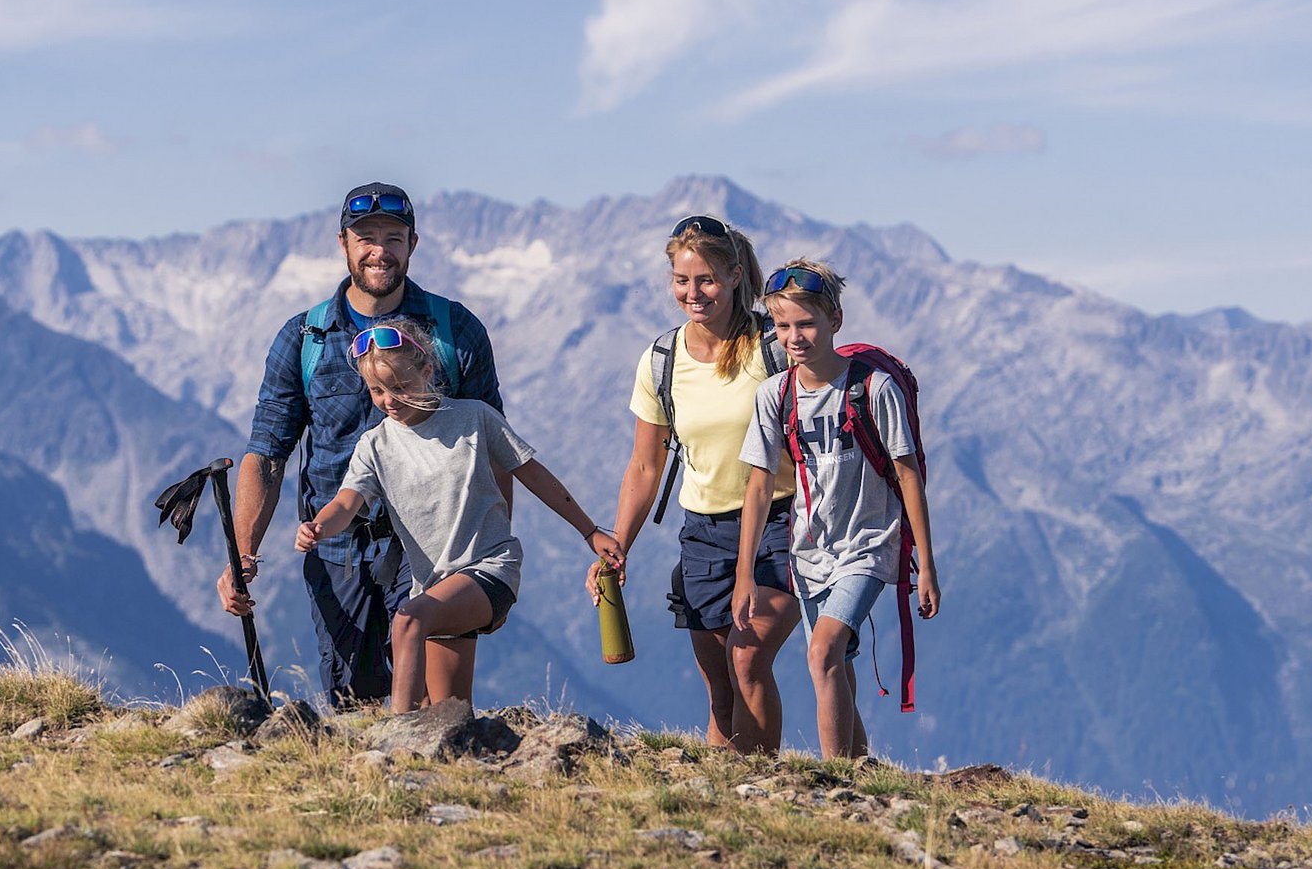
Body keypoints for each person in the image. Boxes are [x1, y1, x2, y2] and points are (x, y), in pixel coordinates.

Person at [219, 183, 504, 707]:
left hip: (432, 546)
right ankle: (376, 790)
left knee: (433, 706)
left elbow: (493, 447)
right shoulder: (304, 338)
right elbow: (267, 454)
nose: (379, 251)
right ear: (343, 244)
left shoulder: (455, 331)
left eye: (392, 238)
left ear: (412, 244)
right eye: (365, 238)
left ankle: (438, 784)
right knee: (355, 703)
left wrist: (490, 548)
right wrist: (243, 553)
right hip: (337, 551)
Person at [297, 318, 621, 710]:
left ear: (427, 371)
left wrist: (590, 532)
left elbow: (534, 475)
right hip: (433, 585)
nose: (389, 400)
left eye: (399, 386)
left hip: (490, 568)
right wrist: (318, 527)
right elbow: (346, 504)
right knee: (448, 712)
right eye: (377, 390)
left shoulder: (474, 418)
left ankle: (394, 745)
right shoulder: (375, 445)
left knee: (406, 622)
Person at [586, 214, 812, 753]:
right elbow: (646, 466)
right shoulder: (662, 360)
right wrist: (617, 546)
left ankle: (764, 791)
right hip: (705, 535)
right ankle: (722, 797)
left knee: (747, 656)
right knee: (720, 689)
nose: (694, 293)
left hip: (782, 523)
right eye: (683, 281)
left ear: (736, 276)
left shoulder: (772, 347)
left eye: (706, 279)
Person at [736, 259, 941, 758]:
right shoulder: (775, 395)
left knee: (823, 650)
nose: (794, 337)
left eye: (806, 323)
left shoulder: (873, 388)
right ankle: (859, 769)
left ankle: (833, 782)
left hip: (870, 544)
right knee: (838, 664)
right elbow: (760, 487)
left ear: (835, 321)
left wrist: (926, 565)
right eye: (782, 326)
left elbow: (909, 475)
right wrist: (746, 574)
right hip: (809, 551)